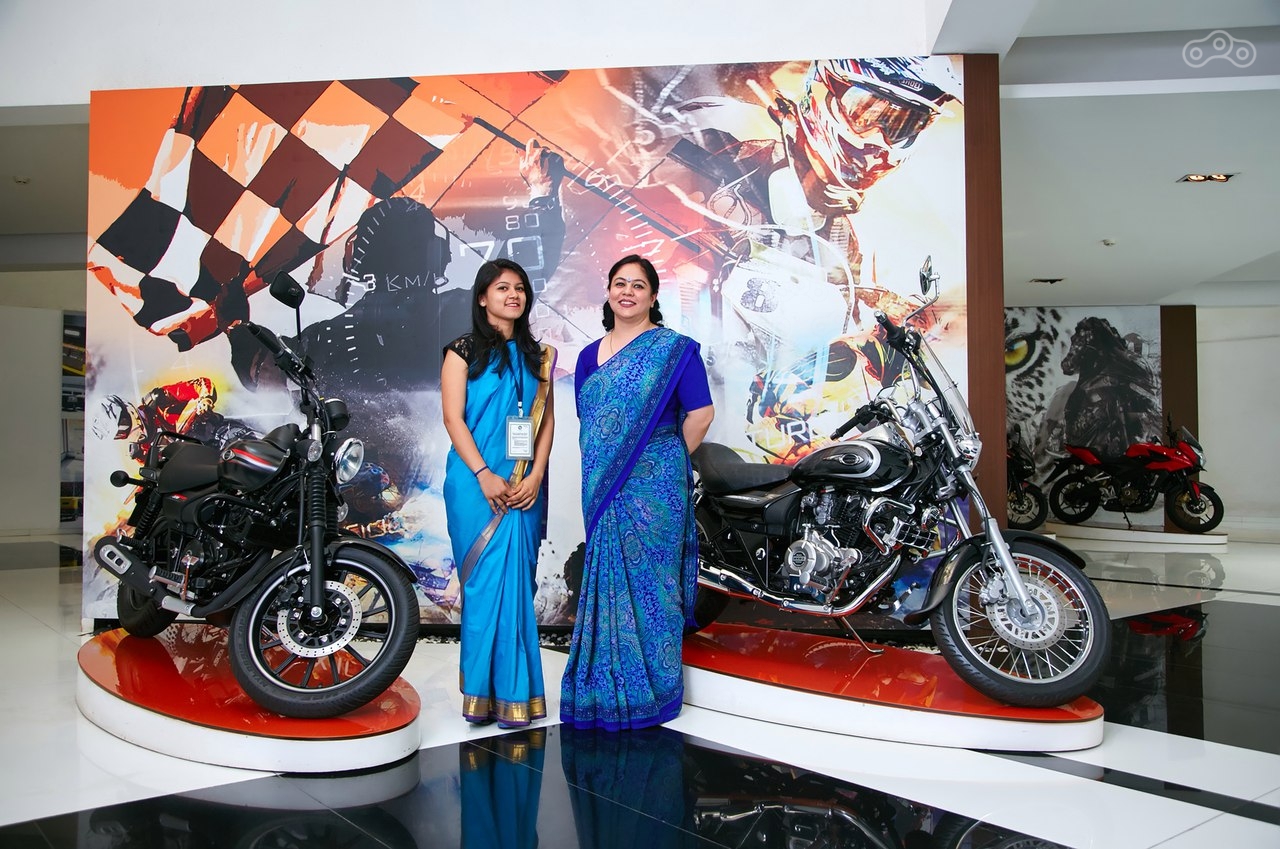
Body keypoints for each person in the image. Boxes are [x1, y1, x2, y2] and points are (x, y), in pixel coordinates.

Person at [561, 254, 715, 730]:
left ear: (652, 296)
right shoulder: (588, 357)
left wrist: (659, 461)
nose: (627, 292)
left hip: (657, 490)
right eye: (619, 283)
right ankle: (606, 690)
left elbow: (701, 413)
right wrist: (621, 462)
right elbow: (593, 426)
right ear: (609, 292)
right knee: (608, 580)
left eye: (638, 285)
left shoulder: (675, 350)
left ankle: (657, 691)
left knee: (655, 586)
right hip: (604, 487)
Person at [441, 259, 556, 728]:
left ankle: (514, 696)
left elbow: (546, 422)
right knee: (485, 586)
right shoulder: (462, 351)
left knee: (517, 587)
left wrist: (536, 475)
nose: (514, 295)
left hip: (524, 486)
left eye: (520, 288)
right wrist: (485, 473)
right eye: (503, 287)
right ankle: (481, 694)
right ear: (483, 297)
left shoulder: (539, 357)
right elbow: (453, 419)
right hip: (475, 485)